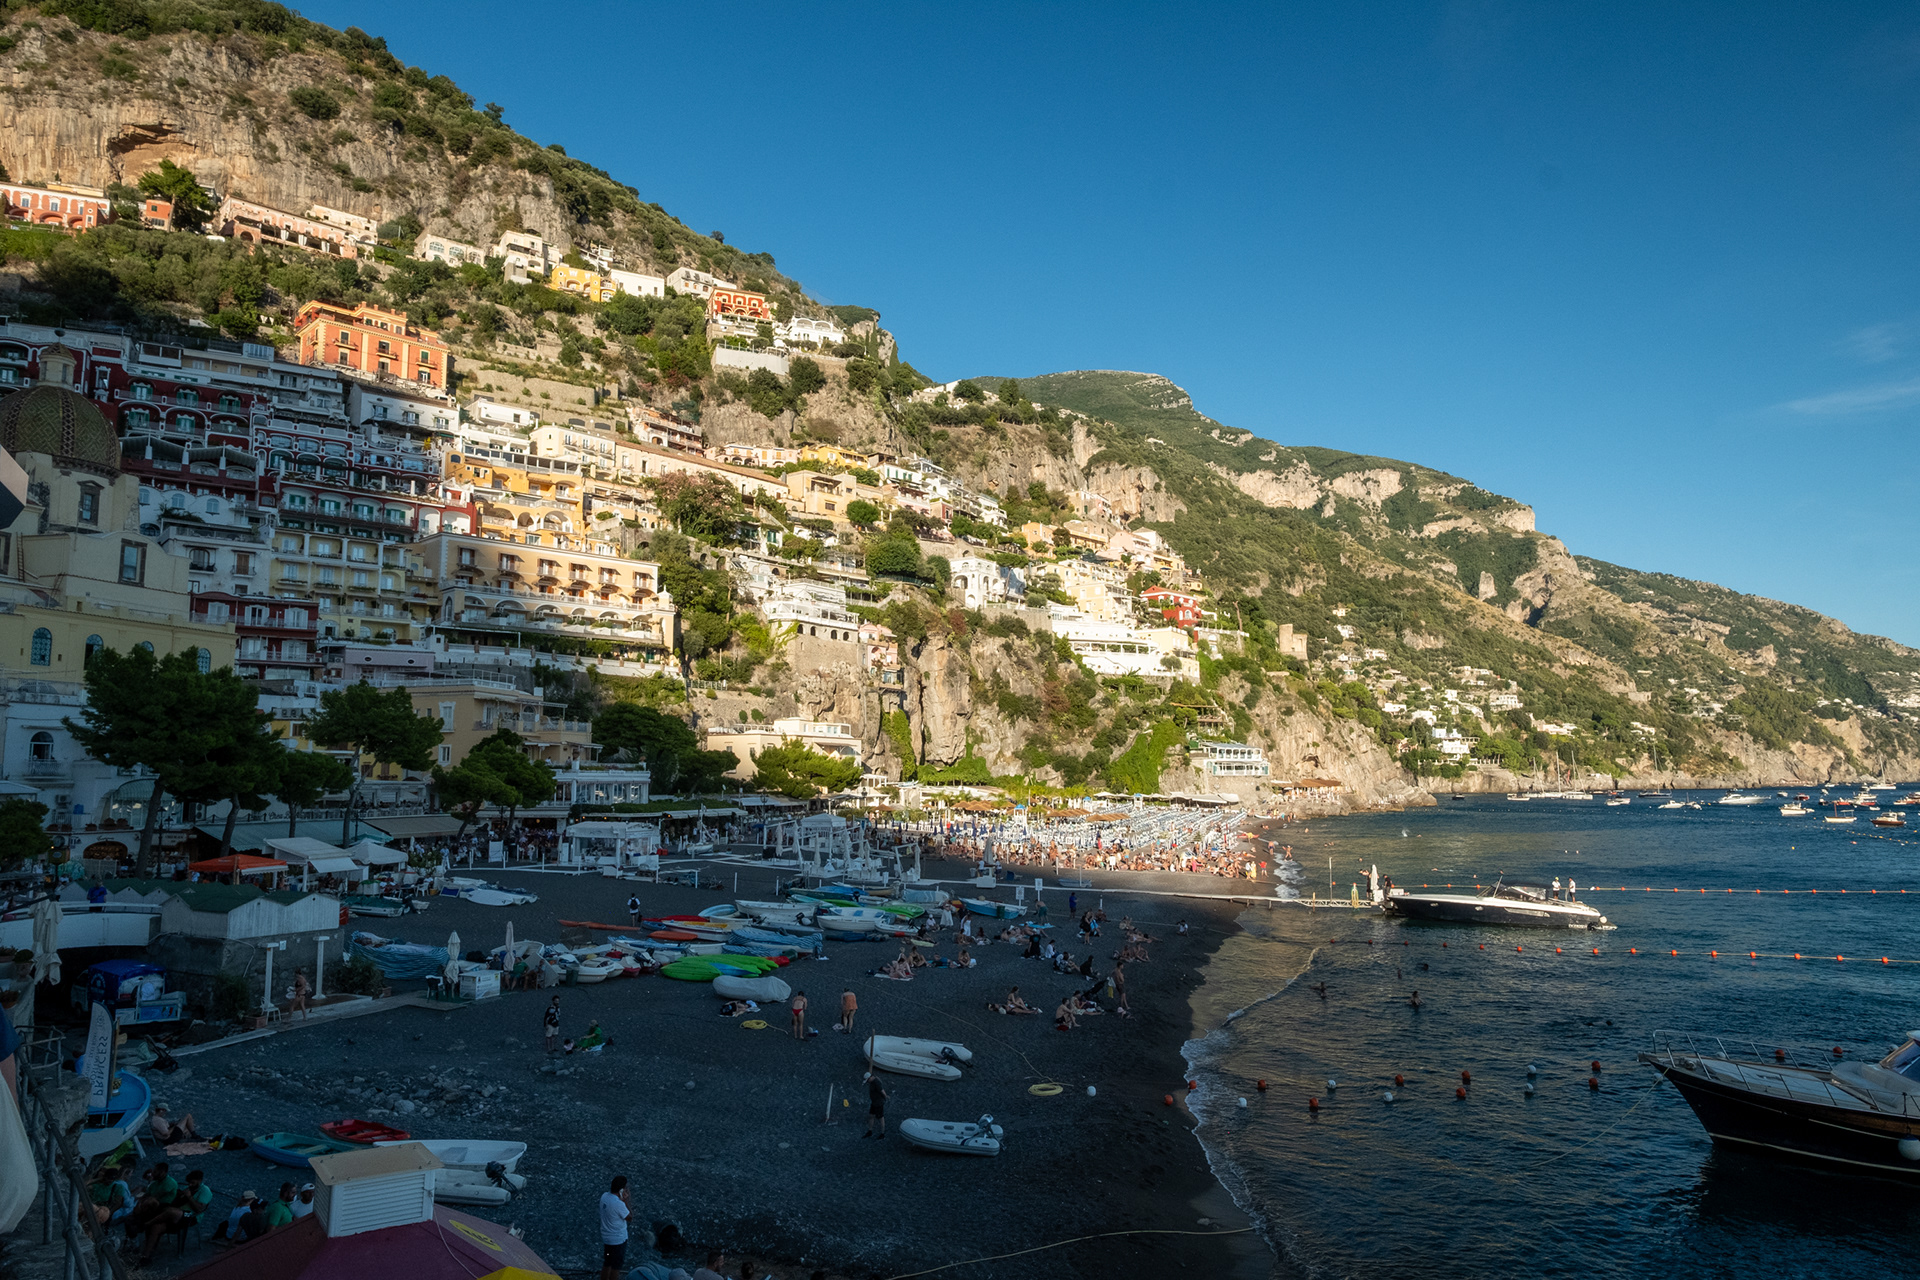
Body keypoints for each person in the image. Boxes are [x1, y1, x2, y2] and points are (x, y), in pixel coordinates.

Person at [134, 1169, 211, 1264]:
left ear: (200, 1180)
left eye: (192, 1182)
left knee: (170, 1211)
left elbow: (199, 1209)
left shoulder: (205, 1191)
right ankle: (146, 1256)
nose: (190, 1184)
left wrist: (189, 1197)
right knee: (156, 1227)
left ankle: (146, 1223)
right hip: (178, 1215)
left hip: (190, 1217)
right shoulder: (189, 1188)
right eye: (189, 1182)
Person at [599, 1175, 631, 1280]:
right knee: (616, 1266)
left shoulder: (604, 1196)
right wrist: (625, 1200)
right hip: (618, 1240)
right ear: (621, 1190)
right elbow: (629, 1217)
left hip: (607, 1239)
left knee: (607, 1262)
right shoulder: (618, 1204)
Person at [862, 1073, 888, 1138]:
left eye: (867, 1080)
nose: (868, 1082)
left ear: (870, 1078)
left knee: (880, 1117)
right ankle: (870, 1130)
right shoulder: (872, 1082)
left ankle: (882, 1133)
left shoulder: (877, 1082)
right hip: (874, 1102)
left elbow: (882, 1091)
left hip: (878, 1103)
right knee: (871, 1115)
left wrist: (886, 1097)